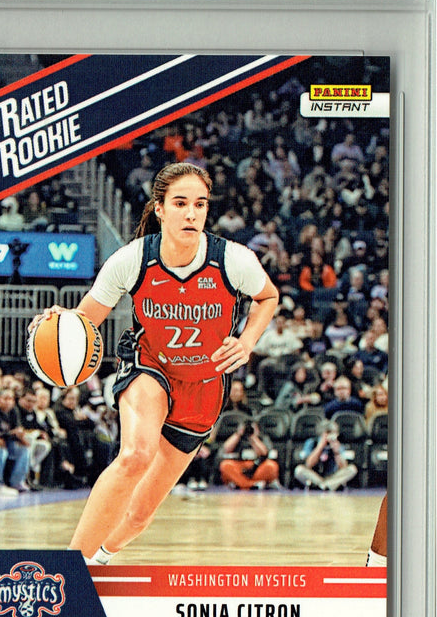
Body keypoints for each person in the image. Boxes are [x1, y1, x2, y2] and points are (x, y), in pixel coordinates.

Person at [30, 163, 279, 564]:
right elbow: (85, 320)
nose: (191, 213)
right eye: (180, 203)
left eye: (200, 204)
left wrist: (247, 341)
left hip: (204, 385)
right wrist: (61, 323)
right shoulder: (132, 259)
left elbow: (268, 297)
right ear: (160, 208)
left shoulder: (234, 260)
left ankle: (100, 558)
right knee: (135, 456)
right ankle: (70, 571)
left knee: (139, 515)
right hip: (151, 366)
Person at [294, 420, 358, 491]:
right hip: (315, 476)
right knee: (299, 470)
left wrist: (337, 452)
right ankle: (325, 486)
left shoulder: (338, 444)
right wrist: (320, 446)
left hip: (332, 477)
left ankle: (323, 486)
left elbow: (343, 467)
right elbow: (308, 464)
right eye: (329, 433)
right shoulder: (312, 442)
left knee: (352, 469)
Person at [219, 420, 280, 490]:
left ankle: (240, 484)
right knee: (225, 465)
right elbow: (226, 450)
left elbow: (264, 453)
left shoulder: (263, 438)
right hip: (240, 466)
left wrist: (253, 437)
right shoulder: (237, 438)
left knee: (272, 466)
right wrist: (238, 434)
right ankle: (252, 484)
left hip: (258, 466)